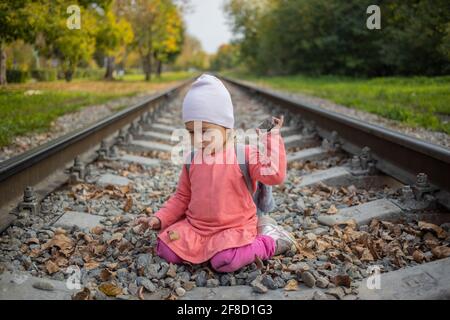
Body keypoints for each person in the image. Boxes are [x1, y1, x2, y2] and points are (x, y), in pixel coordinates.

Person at [135, 74, 296, 273]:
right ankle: (203, 248)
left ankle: (271, 241)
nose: (199, 138)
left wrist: (271, 138)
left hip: (233, 228)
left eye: (206, 130)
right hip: (197, 228)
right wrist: (160, 218)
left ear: (226, 127)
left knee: (225, 261)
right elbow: (182, 197)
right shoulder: (192, 159)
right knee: (165, 249)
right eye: (192, 131)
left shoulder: (243, 154)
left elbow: (275, 175)